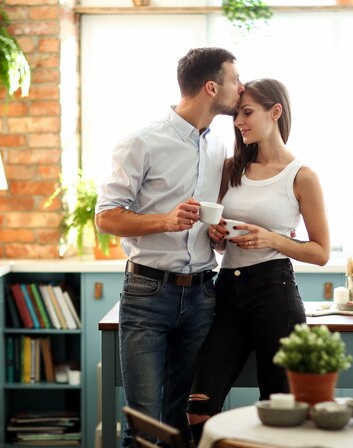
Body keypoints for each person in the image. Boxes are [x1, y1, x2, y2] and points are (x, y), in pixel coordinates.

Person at [95, 47, 244, 447]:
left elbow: (207, 218)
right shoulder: (142, 141)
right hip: (148, 293)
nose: (241, 88)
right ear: (212, 87)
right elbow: (106, 216)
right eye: (235, 79)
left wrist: (214, 235)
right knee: (144, 425)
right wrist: (164, 220)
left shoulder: (217, 146)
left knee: (185, 423)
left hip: (201, 294)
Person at [186, 78, 331, 444]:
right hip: (227, 293)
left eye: (247, 112)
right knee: (198, 406)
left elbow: (321, 252)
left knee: (279, 407)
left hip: (274, 292)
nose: (238, 121)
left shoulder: (302, 176)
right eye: (237, 114)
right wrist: (216, 235)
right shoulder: (231, 167)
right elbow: (216, 240)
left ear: (275, 111)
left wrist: (273, 240)